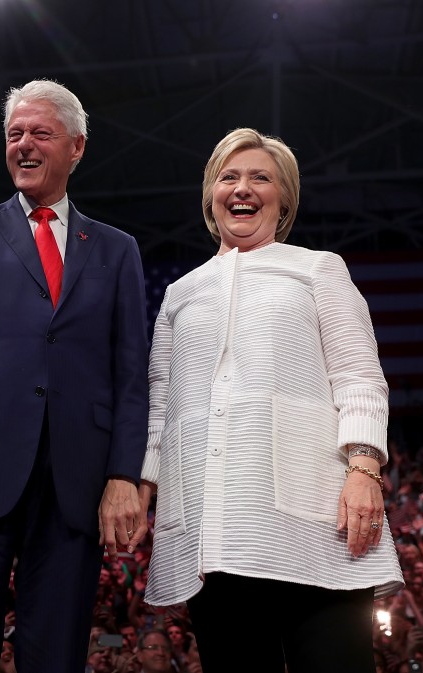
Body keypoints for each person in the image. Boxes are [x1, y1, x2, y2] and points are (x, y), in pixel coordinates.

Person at [136, 127, 404, 673]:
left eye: (261, 178)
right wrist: (143, 488)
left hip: (317, 527)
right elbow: (160, 407)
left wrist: (365, 468)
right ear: (212, 194)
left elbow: (359, 376)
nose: (244, 188)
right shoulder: (180, 294)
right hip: (214, 537)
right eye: (229, 177)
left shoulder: (318, 269)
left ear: (283, 200)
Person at [0, 78, 150, 672]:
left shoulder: (118, 250)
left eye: (41, 132)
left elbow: (130, 375)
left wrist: (124, 474)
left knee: (56, 659)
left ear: (77, 147)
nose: (24, 145)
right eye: (14, 134)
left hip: (75, 485)